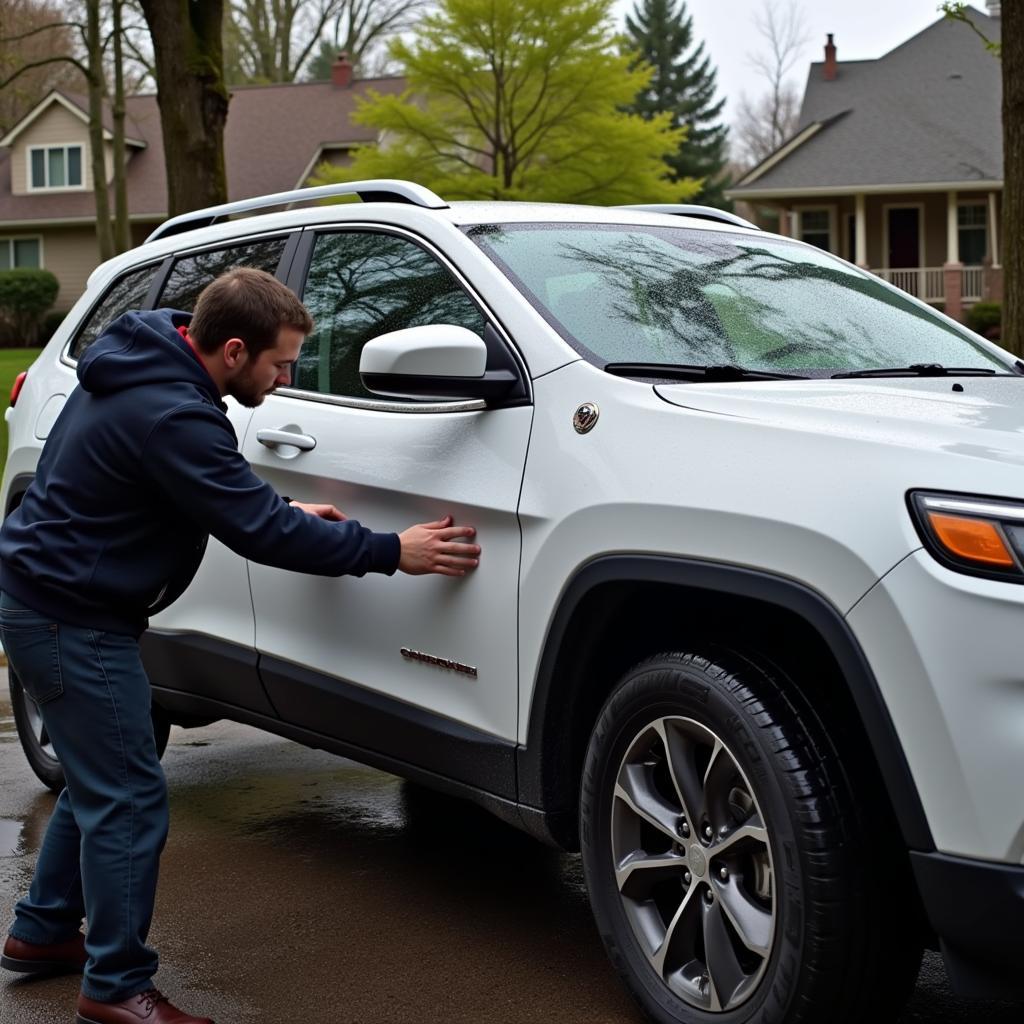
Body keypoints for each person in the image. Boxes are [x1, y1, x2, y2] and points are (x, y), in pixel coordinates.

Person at [0, 267, 480, 1024]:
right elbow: (256, 532)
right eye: (280, 364)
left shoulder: (150, 361)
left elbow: (200, 490)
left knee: (106, 776)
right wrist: (393, 550)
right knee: (127, 793)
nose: (286, 379)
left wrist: (281, 506)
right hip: (70, 620)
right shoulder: (174, 413)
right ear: (231, 350)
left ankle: (43, 931)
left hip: (54, 605)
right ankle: (116, 985)